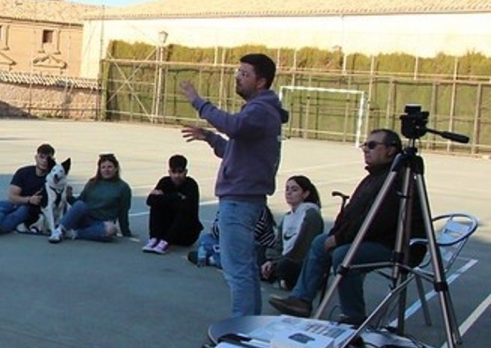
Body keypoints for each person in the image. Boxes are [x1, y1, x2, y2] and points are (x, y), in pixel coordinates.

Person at [270, 129, 424, 323]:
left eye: (372, 145)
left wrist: (339, 238)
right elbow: (351, 213)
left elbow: (376, 221)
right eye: (365, 145)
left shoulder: (397, 179)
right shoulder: (374, 177)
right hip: (372, 238)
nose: (365, 149)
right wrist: (335, 234)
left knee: (343, 256)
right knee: (320, 242)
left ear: (391, 150)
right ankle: (301, 300)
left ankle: (353, 316)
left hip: (393, 245)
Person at [180, 53, 287, 317]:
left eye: (245, 73)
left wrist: (199, 103)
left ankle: (241, 330)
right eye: (237, 72)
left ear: (261, 81)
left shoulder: (260, 110)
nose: (238, 77)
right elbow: (235, 149)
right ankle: (249, 324)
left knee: (237, 269)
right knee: (245, 267)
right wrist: (209, 138)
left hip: (240, 200)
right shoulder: (260, 110)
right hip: (244, 198)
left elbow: (234, 127)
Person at [49, 153, 132, 243]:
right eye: (103, 167)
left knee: (111, 229)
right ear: (99, 169)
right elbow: (79, 202)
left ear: (116, 168)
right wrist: (69, 197)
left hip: (101, 223)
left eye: (110, 167)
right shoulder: (92, 183)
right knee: (80, 205)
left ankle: (74, 233)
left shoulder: (123, 188)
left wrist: (126, 232)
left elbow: (123, 212)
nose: (106, 170)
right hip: (85, 218)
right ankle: (59, 230)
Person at [0, 143, 55, 236]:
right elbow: (12, 196)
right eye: (42, 157)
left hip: (32, 209)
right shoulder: (24, 172)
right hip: (17, 202)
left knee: (19, 213)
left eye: (48, 159)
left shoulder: (53, 177)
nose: (44, 161)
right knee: (1, 205)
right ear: (36, 157)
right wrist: (29, 199)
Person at [260, 175, 324, 289]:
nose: (289, 193)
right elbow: (278, 243)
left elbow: (302, 249)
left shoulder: (311, 215)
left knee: (286, 266)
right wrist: (270, 260)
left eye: (294, 190)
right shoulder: (288, 216)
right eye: (287, 189)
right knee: (256, 255)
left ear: (305, 194)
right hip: (283, 259)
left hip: (300, 262)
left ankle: (285, 279)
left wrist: (276, 263)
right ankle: (278, 277)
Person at [141, 154, 202, 254]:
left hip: (187, 234)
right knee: (156, 207)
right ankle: (154, 239)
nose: (177, 175)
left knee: (183, 211)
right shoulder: (164, 181)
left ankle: (165, 243)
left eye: (180, 172)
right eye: (174, 172)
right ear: (169, 172)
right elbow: (150, 201)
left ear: (186, 172)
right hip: (165, 230)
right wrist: (177, 196)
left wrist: (164, 198)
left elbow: (188, 207)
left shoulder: (191, 185)